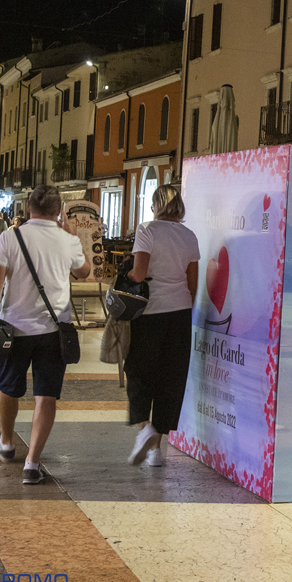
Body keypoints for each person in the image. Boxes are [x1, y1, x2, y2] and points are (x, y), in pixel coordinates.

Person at [0, 185, 90, 485]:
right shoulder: (67, 240)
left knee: (8, 387)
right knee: (46, 394)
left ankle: (8, 441)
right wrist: (70, 234)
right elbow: (84, 272)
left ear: (27, 208)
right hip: (53, 330)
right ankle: (32, 463)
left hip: (15, 328)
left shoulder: (10, 237)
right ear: (58, 210)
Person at [122, 185, 200, 467]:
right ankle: (156, 450)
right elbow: (193, 285)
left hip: (150, 313)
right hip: (180, 313)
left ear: (156, 204)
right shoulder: (189, 236)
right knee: (171, 378)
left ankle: (145, 430)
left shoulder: (147, 230)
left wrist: (126, 271)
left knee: (139, 371)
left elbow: (139, 273)